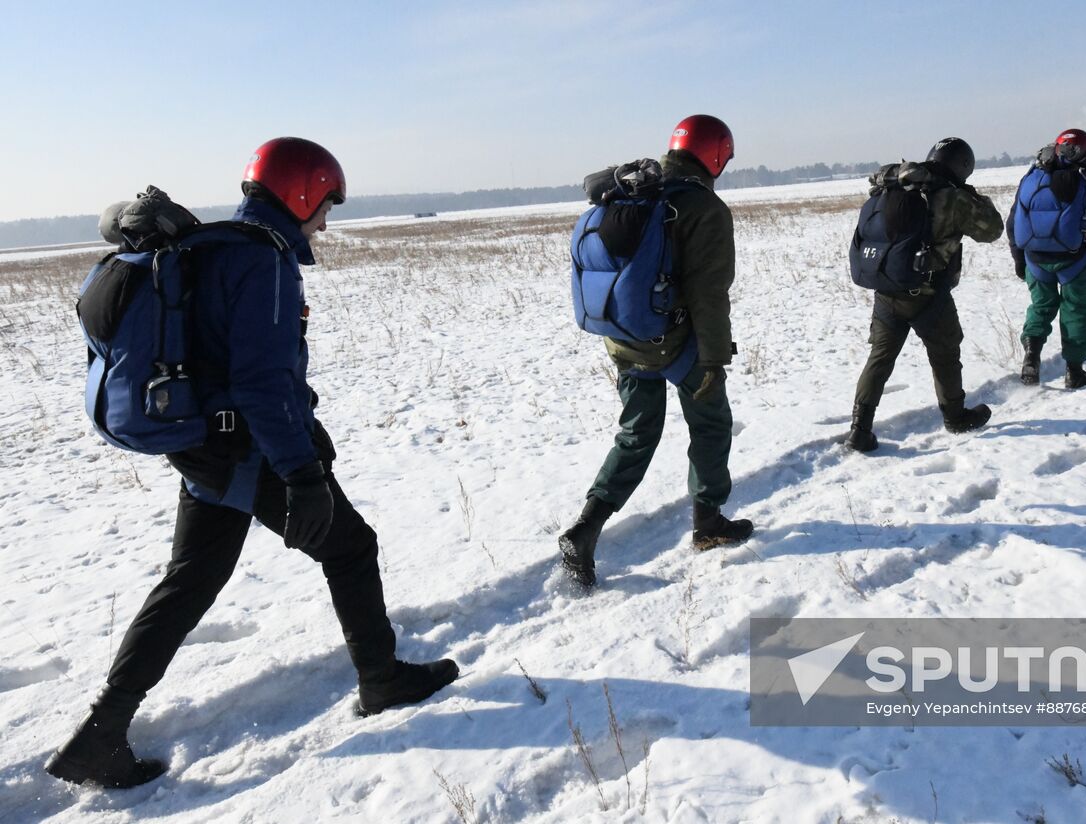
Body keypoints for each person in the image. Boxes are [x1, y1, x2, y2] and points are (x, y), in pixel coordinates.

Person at [46, 138, 458, 790]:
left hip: (202, 450)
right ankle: (381, 679)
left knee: (189, 581)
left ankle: (101, 733)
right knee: (351, 547)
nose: (325, 220)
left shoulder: (215, 247)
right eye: (324, 205)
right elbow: (264, 384)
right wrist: (302, 475)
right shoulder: (263, 263)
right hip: (245, 452)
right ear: (300, 194)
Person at [559, 115, 753, 588]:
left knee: (636, 434)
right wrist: (713, 359)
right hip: (674, 342)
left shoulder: (635, 190)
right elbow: (709, 292)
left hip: (623, 339)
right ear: (715, 154)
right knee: (710, 423)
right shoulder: (703, 207)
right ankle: (708, 523)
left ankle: (585, 528)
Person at [845, 137, 1004, 452]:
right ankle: (956, 416)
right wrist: (972, 196)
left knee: (879, 358)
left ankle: (859, 428)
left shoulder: (897, 188)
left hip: (887, 292)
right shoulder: (951, 197)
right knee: (945, 353)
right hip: (928, 294)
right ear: (962, 166)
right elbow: (992, 230)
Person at [1006, 129, 1086, 389]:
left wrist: (1018, 258)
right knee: (1075, 309)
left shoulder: (1035, 172)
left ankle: (1031, 358)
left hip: (1035, 258)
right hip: (1075, 259)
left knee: (1041, 306)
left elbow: (1014, 220)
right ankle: (1074, 371)